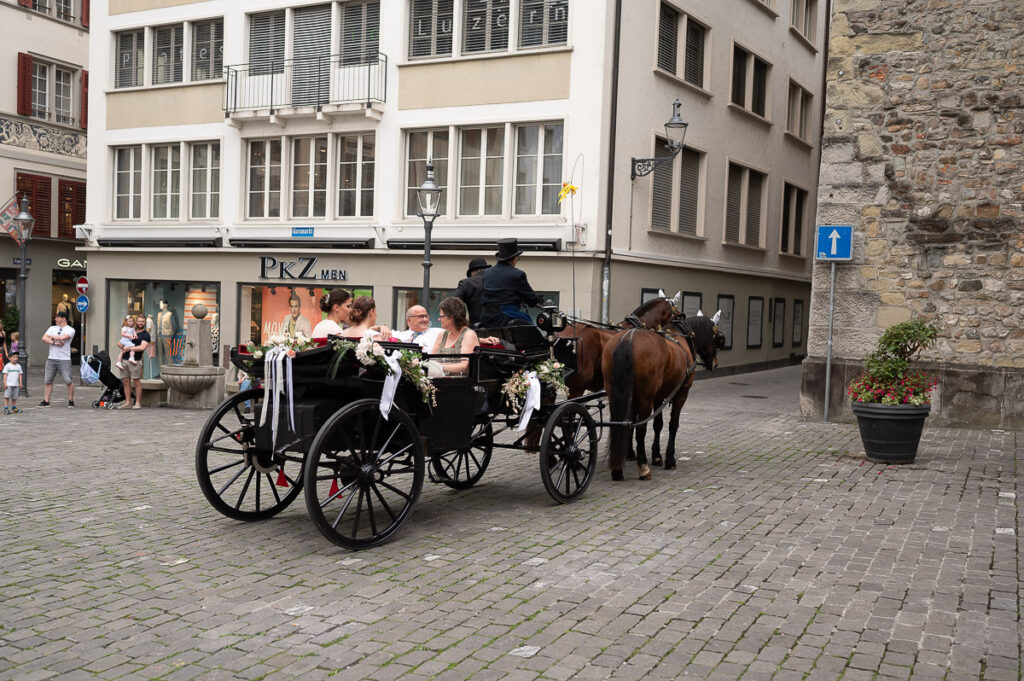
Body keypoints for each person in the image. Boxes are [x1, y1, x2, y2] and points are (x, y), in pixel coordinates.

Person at [479, 238, 541, 328]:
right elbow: (531, 300)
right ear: (514, 259)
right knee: (532, 331)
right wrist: (537, 299)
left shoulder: (487, 273)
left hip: (486, 317)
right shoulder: (518, 274)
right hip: (505, 316)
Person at [427, 297, 484, 377]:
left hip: (459, 384)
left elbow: (465, 366)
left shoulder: (468, 335)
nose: (439, 319)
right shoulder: (442, 334)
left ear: (451, 317)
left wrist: (440, 368)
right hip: (439, 381)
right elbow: (431, 360)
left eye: (441, 316)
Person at [40, 310, 76, 407]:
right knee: (48, 380)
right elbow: (44, 338)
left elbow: (63, 337)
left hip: (64, 359)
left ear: (63, 318)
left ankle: (71, 400)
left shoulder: (70, 329)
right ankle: (46, 401)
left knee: (68, 380)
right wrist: (53, 342)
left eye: (57, 317)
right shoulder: (52, 328)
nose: (55, 319)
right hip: (51, 358)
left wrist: (51, 337)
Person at [118, 314, 151, 410]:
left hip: (135, 361)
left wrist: (130, 348)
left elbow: (142, 347)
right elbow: (119, 342)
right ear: (136, 321)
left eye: (142, 321)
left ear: (145, 323)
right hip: (125, 360)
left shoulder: (146, 335)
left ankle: (138, 403)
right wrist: (124, 347)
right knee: (125, 381)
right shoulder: (130, 330)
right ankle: (128, 402)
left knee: (136, 382)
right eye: (139, 321)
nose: (140, 323)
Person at [454, 257, 490, 328]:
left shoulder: (466, 283)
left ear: (472, 272)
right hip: (500, 327)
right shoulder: (497, 281)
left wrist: (462, 322)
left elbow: (454, 303)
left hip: (477, 328)